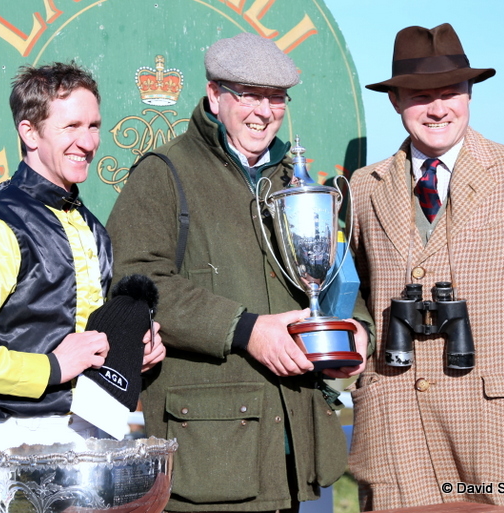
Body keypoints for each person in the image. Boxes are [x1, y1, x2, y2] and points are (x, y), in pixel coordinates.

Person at [106, 32, 373, 513]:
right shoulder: (164, 173)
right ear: (214, 96)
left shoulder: (294, 179)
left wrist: (356, 328)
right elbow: (135, 283)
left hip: (297, 451)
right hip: (211, 460)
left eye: (275, 98)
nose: (263, 111)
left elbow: (332, 271)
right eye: (247, 94)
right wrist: (246, 330)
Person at [348, 24, 504, 513]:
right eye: (421, 96)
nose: (438, 108)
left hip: (503, 425)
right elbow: (357, 294)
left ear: (469, 95)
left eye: (450, 92)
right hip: (399, 425)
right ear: (395, 101)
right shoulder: (363, 186)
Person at [0, 62, 165, 513]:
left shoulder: (90, 226)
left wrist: (134, 350)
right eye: (71, 126)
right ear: (30, 132)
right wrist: (49, 368)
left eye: (94, 126)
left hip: (96, 441)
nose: (87, 141)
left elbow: (84, 337)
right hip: (13, 447)